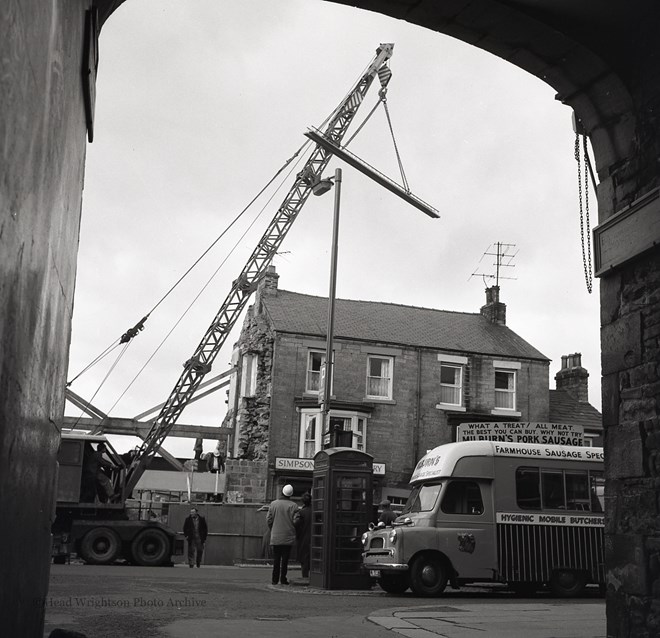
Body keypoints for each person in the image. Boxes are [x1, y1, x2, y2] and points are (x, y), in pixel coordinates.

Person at [267, 484, 299, 585]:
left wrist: (272, 528)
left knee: (276, 559)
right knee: (285, 560)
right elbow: (296, 521)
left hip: (276, 535)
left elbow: (269, 519)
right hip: (288, 536)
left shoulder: (273, 504)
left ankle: (274, 579)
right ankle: (283, 578)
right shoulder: (294, 506)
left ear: (282, 492)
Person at [295, 492, 312, 579]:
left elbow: (296, 524)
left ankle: (305, 577)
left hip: (303, 538)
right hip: (314, 540)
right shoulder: (316, 512)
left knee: (304, 560)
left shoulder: (301, 512)